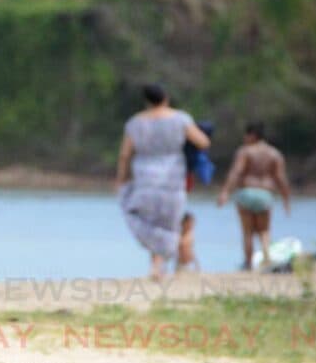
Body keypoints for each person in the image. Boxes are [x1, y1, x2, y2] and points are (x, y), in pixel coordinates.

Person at [116, 84, 211, 280]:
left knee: (150, 221)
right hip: (172, 176)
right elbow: (203, 141)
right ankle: (163, 265)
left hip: (144, 177)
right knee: (170, 223)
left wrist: (121, 178)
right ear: (166, 97)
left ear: (146, 100)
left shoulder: (135, 123)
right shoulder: (180, 118)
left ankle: (157, 266)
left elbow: (125, 154)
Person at [217, 121, 291, 270]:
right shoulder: (274, 153)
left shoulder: (245, 152)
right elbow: (281, 178)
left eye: (246, 134)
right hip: (265, 193)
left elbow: (236, 172)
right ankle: (267, 259)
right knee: (264, 230)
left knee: (248, 232)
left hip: (246, 192)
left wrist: (225, 192)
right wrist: (286, 199)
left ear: (252, 135)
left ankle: (248, 263)